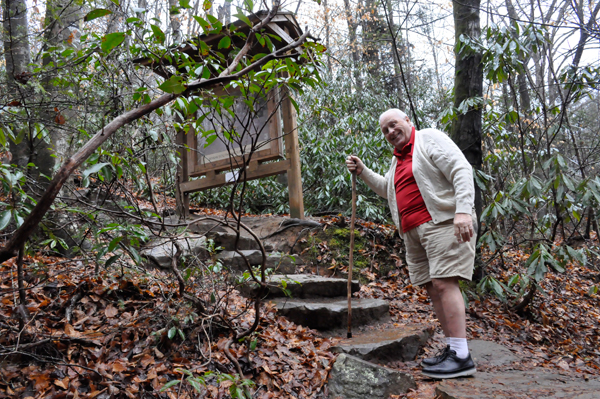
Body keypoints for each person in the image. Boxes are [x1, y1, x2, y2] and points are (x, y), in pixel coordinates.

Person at [346, 108, 477, 379]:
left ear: (408, 121)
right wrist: (363, 171)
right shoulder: (397, 161)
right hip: (413, 233)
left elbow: (460, 168)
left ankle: (462, 356)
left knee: (444, 283)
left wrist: (463, 210)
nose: (390, 132)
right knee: (432, 287)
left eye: (393, 125)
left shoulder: (428, 139)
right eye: (385, 131)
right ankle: (454, 350)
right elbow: (388, 190)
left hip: (440, 223)